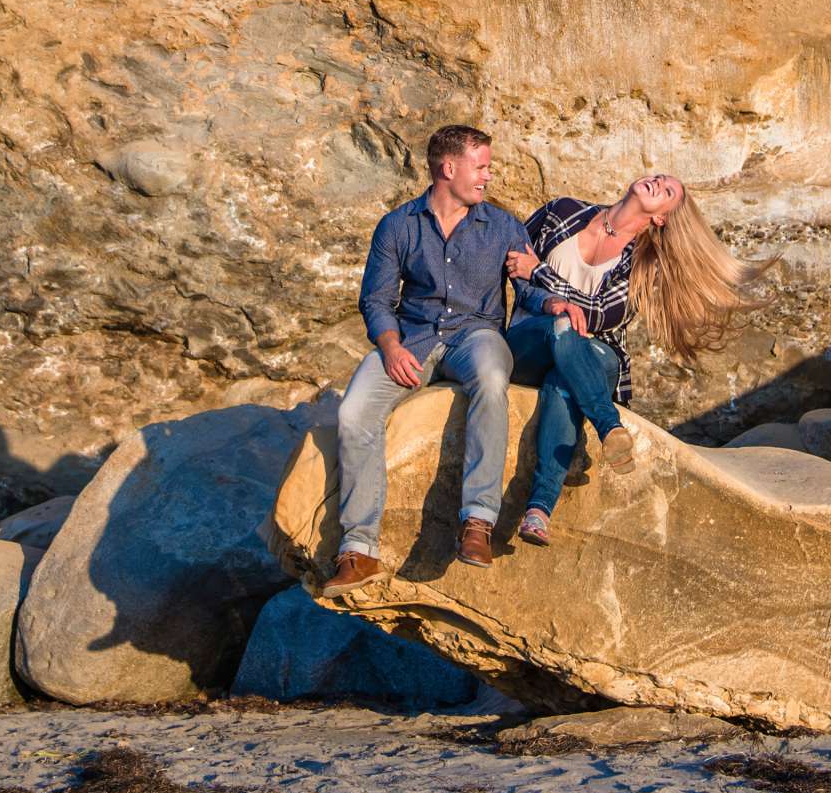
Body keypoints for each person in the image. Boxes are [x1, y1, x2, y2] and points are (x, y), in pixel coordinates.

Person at [501, 174, 771, 546]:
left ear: (661, 218)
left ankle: (538, 511)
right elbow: (513, 264)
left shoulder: (646, 264)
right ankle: (609, 425)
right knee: (562, 326)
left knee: (563, 379)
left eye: (669, 190)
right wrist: (545, 296)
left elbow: (598, 315)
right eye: (661, 177)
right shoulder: (561, 212)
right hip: (532, 339)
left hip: (597, 354)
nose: (659, 181)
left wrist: (541, 272)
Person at [321, 124, 531, 595]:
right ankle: (358, 551)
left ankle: (478, 523)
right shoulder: (398, 225)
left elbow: (531, 290)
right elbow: (375, 300)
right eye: (481, 167)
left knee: (493, 376)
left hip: (475, 336)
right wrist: (391, 347)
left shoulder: (502, 227)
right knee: (354, 413)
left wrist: (550, 290)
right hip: (411, 341)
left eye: (488, 167)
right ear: (448, 168)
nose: (488, 177)